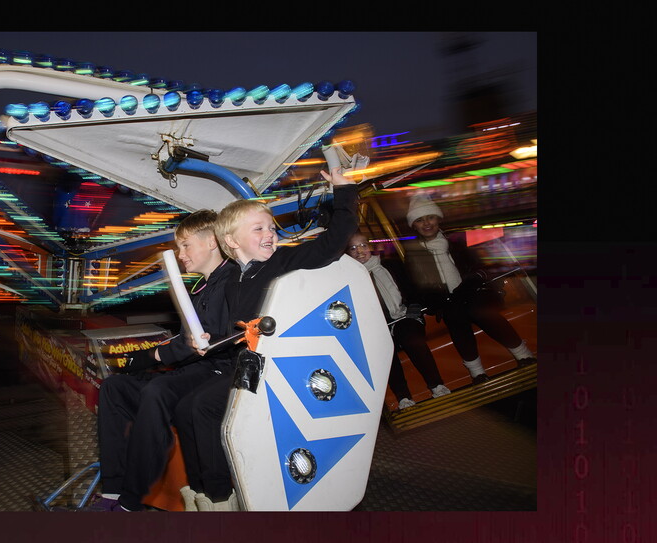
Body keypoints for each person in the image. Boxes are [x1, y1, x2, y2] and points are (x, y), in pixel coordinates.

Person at [173, 166, 359, 511]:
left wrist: (344, 190)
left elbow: (334, 241)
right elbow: (231, 331)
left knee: (202, 406)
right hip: (249, 364)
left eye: (271, 228)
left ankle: (219, 499)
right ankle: (200, 492)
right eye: (258, 228)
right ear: (231, 241)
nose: (270, 234)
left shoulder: (284, 261)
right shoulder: (233, 280)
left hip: (279, 366)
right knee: (184, 407)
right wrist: (205, 341)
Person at [87, 209, 238, 512]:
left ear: (211, 241)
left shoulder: (232, 281)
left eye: (185, 245)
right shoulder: (202, 286)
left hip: (217, 371)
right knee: (114, 388)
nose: (181, 254)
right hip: (194, 368)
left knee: (156, 392)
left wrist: (149, 357)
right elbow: (184, 338)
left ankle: (131, 502)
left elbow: (205, 340)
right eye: (178, 248)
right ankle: (114, 490)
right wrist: (144, 358)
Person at [402, 193, 536, 385]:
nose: (427, 223)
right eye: (420, 220)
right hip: (449, 301)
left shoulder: (457, 241)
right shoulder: (413, 254)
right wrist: (436, 301)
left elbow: (479, 267)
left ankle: (523, 355)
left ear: (438, 219)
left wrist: (468, 285)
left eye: (430, 217)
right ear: (414, 225)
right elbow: (417, 287)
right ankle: (477, 373)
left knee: (478, 309)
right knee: (454, 315)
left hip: (476, 291)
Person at [345, 231, 449, 411]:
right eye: (353, 248)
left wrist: (414, 306)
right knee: (383, 349)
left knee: (411, 338)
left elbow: (411, 286)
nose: (359, 251)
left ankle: (436, 385)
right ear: (347, 254)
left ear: (370, 246)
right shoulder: (349, 279)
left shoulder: (389, 265)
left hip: (402, 316)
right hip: (377, 325)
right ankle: (403, 396)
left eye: (362, 245)